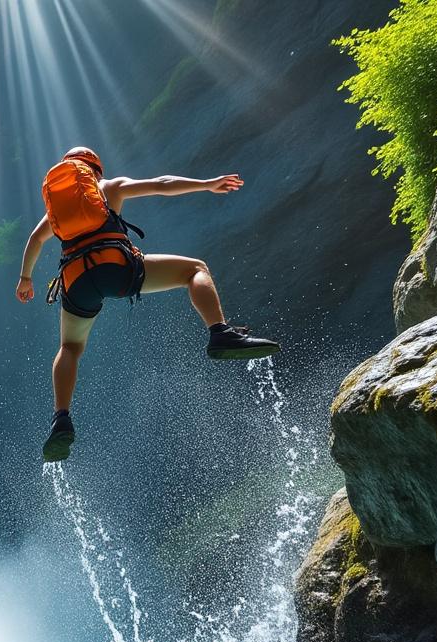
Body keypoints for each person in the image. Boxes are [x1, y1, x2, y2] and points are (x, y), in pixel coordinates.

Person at [16, 147, 279, 462]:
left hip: (76, 280)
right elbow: (163, 183)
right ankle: (220, 331)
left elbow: (35, 239)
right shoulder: (108, 187)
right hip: (117, 267)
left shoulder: (56, 212)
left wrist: (25, 279)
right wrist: (207, 183)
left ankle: (61, 418)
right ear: (94, 170)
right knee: (194, 269)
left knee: (70, 347)